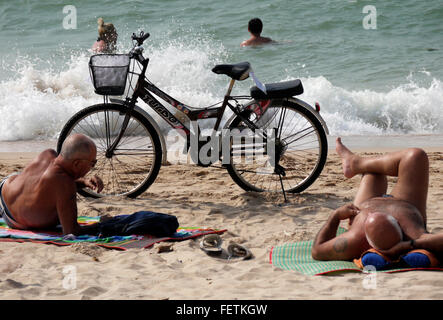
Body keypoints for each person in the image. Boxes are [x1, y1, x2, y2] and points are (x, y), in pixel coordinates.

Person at [312, 137, 442, 267]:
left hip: (367, 202)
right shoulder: (414, 235)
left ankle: (354, 163)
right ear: (398, 223)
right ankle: (355, 163)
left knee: (373, 174)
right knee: (416, 156)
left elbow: (317, 250)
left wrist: (335, 216)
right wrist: (411, 244)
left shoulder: (355, 239)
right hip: (405, 203)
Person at [0, 134, 103, 236]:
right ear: (76, 164)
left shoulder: (48, 154)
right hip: (12, 218)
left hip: (6, 188)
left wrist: (84, 182)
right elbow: (71, 231)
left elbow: (52, 185)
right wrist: (101, 224)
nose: (92, 167)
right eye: (93, 163)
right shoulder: (65, 183)